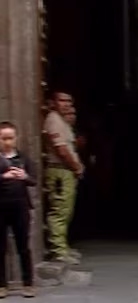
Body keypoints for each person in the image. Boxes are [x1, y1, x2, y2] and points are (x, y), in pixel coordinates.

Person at [42, 90, 84, 265]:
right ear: (53, 102)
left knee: (66, 210)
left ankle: (62, 247)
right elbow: (62, 150)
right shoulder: (53, 120)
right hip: (60, 169)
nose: (66, 104)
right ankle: (58, 250)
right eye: (62, 100)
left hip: (65, 170)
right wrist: (76, 167)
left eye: (69, 101)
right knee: (59, 210)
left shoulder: (62, 121)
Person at [0, 122, 37, 299]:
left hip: (20, 206)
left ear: (16, 138)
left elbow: (34, 180)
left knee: (23, 246)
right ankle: (2, 285)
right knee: (0, 247)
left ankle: (28, 283)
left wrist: (24, 176)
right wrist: (3, 176)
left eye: (10, 138)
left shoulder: (23, 159)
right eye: (3, 138)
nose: (7, 142)